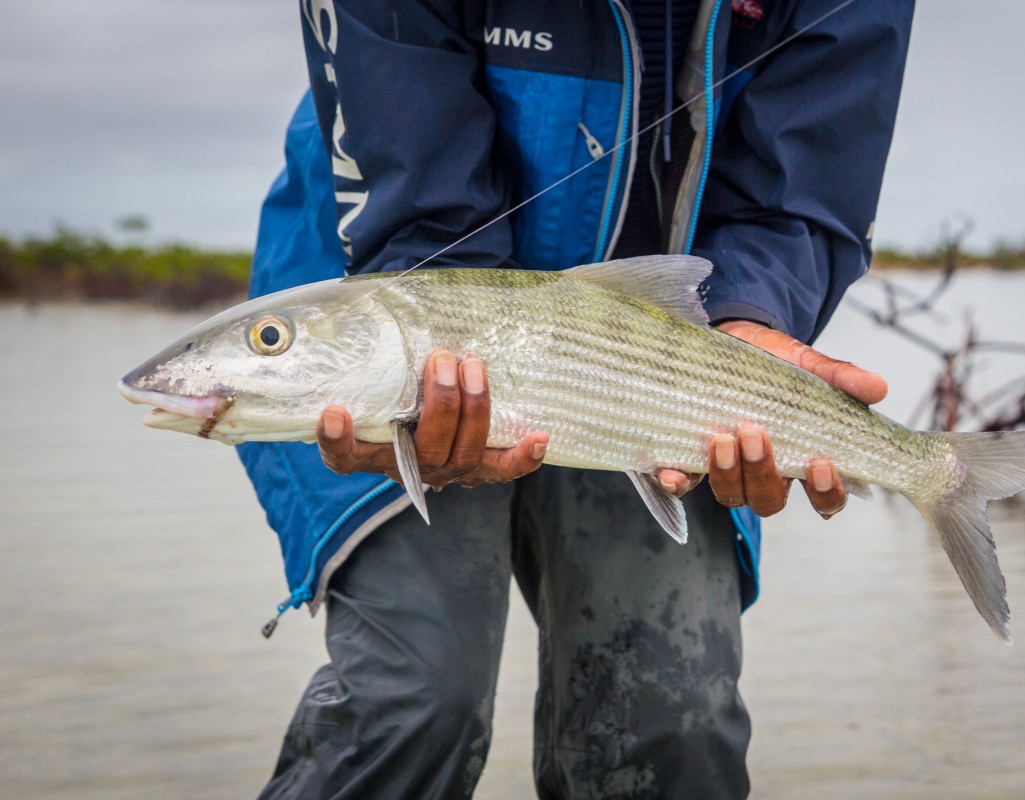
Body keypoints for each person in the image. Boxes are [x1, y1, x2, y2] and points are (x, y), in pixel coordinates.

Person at [241, 1, 912, 797]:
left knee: (672, 724)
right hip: (374, 299)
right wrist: (427, 363)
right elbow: (416, 196)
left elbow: (805, 186)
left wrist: (754, 315)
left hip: (659, 348)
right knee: (415, 703)